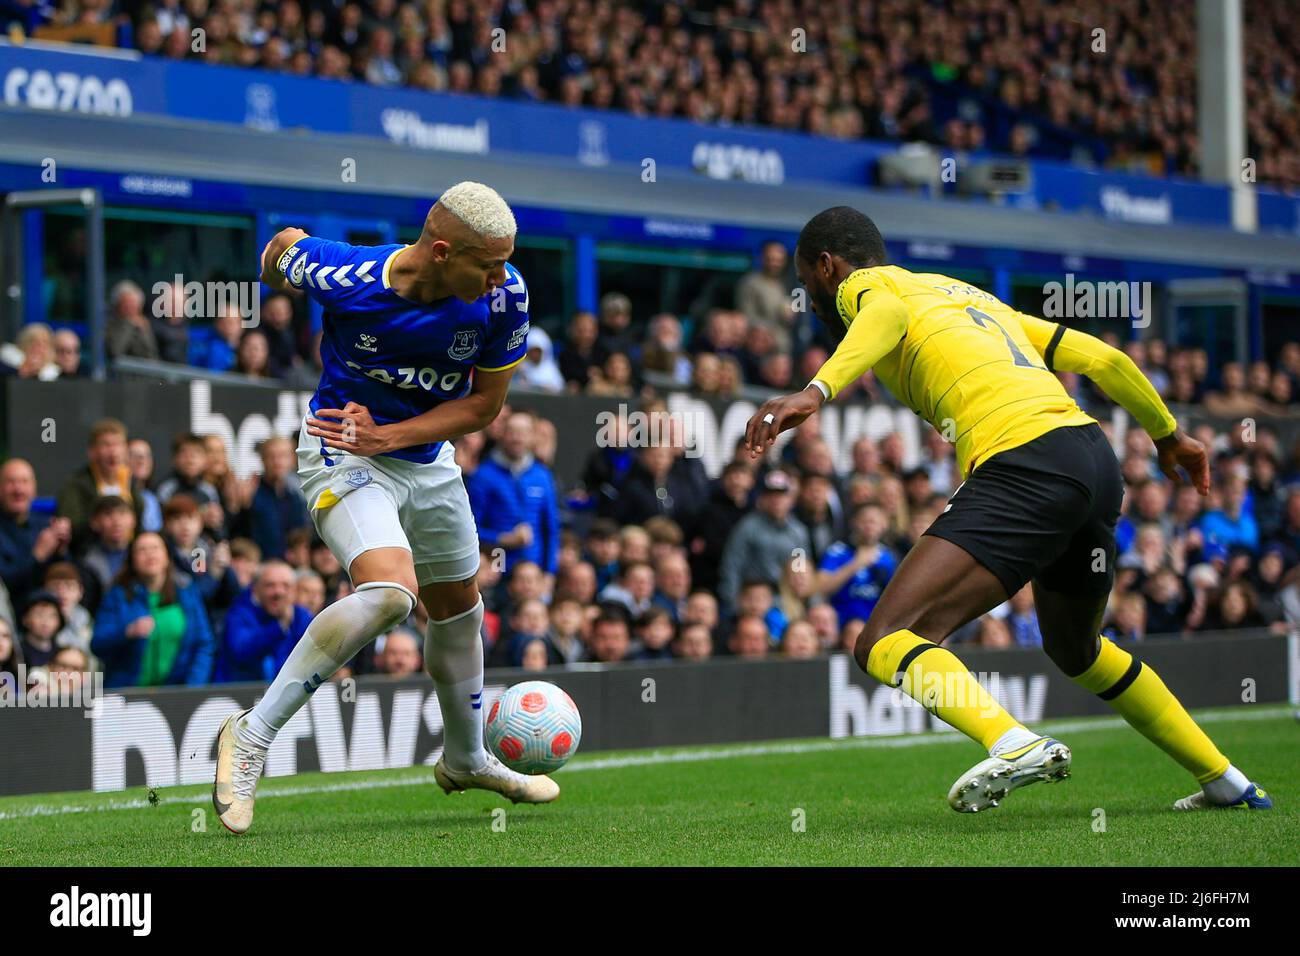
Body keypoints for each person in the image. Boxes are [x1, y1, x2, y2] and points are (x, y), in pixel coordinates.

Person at [745, 205, 1270, 814]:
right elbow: (1106, 362)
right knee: (1079, 650)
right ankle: (1225, 780)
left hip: (1025, 461)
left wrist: (815, 392)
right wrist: (1168, 435)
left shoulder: (869, 288)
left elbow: (881, 314)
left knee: (885, 638)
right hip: (1094, 460)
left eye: (808, 282)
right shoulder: (973, 298)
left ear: (828, 266)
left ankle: (1012, 743)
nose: (811, 298)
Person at [212, 181, 557, 836]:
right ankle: (249, 738)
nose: (499, 278)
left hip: (423, 459)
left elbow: (484, 407)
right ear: (441, 250)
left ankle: (466, 759)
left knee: (459, 605)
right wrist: (277, 273)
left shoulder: (505, 294)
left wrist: (394, 436)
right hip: (342, 452)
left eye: (503, 264)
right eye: (485, 265)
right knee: (393, 594)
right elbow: (284, 245)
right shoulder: (350, 275)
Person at [91, 532, 215, 688]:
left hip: (177, 696)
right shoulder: (117, 596)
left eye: (155, 548)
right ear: (132, 560)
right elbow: (97, 645)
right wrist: (126, 632)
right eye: (142, 550)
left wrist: (193, 688)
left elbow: (204, 643)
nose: (150, 554)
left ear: (167, 557)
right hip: (126, 697)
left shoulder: (187, 593)